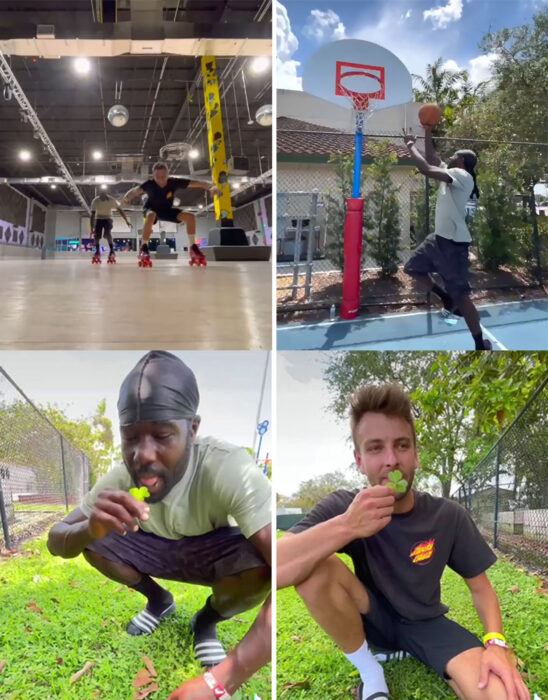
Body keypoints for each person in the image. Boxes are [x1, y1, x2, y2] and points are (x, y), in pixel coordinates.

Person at [277, 384, 530, 700]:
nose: (391, 460)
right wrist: (347, 525)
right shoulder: (344, 506)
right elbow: (275, 568)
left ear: (416, 456)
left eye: (401, 445)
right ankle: (371, 673)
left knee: (502, 694)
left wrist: (495, 642)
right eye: (375, 448)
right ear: (359, 460)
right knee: (314, 563)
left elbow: (481, 587)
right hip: (371, 622)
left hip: (427, 625)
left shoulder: (447, 515)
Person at [48, 351, 271, 699]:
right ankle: (159, 601)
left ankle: (206, 620)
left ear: (193, 429)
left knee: (262, 568)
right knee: (92, 543)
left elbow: (288, 566)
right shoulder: (120, 477)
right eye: (131, 438)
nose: (143, 455)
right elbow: (56, 541)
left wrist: (229, 674)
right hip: (153, 550)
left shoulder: (228, 467)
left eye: (162, 436)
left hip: (212, 556)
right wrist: (89, 528)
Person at [402, 127, 491, 350]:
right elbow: (433, 158)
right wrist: (427, 130)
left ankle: (480, 343)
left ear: (461, 161)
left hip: (453, 244)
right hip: (437, 239)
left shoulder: (462, 176)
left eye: (454, 155)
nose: (449, 157)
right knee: (413, 268)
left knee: (462, 295)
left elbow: (425, 167)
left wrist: (410, 145)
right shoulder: (453, 173)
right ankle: (445, 298)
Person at [120, 163, 221, 266]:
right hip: (151, 209)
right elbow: (134, 191)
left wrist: (211, 186)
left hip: (166, 210)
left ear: (168, 175)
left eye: (163, 176)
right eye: (157, 177)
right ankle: (144, 248)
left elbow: (198, 183)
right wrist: (126, 198)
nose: (160, 180)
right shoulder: (149, 184)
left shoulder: (174, 182)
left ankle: (193, 248)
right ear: (153, 176)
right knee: (151, 215)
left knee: (190, 217)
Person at [89, 191, 130, 263]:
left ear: (106, 194)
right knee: (97, 236)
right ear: (99, 195)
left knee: (107, 234)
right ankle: (97, 252)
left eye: (104, 195)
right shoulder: (95, 201)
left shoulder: (111, 200)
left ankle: (112, 251)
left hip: (108, 218)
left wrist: (126, 220)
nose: (103, 197)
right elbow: (92, 215)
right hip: (98, 218)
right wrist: (92, 228)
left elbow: (120, 210)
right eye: (102, 195)